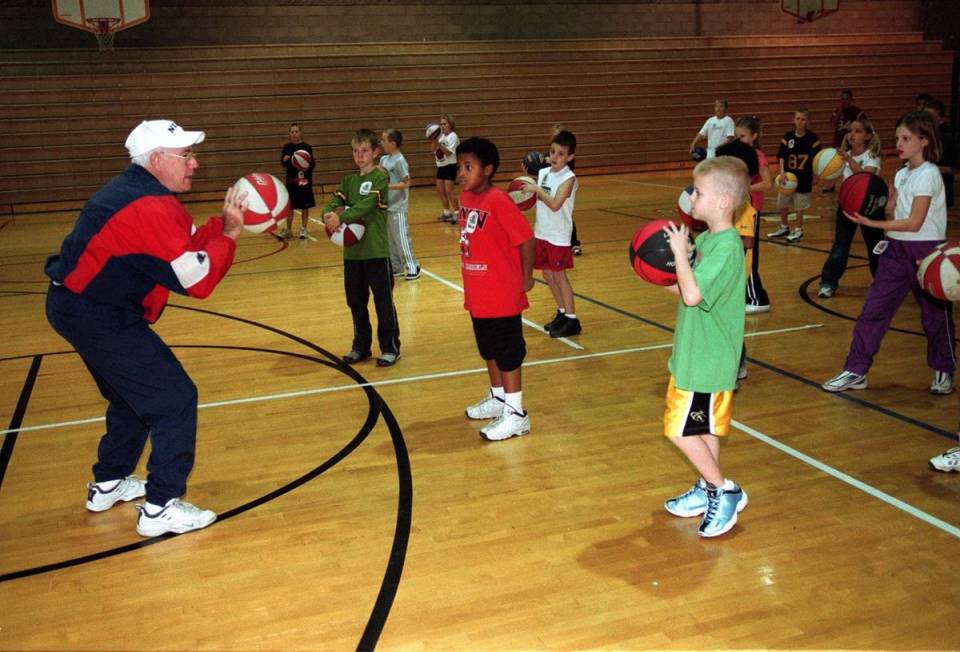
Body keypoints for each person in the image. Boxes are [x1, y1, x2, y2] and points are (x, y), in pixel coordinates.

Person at [44, 119, 246, 537]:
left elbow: (184, 243)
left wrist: (220, 227)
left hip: (77, 306)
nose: (195, 163)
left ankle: (108, 483)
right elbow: (197, 280)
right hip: (96, 313)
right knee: (174, 398)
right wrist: (228, 234)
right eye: (186, 155)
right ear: (157, 160)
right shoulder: (149, 205)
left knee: (130, 397)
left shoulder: (142, 191)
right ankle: (160, 508)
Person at [823, 111, 956, 395]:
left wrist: (874, 222)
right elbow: (900, 214)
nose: (899, 143)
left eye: (906, 138)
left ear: (924, 141)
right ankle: (856, 370)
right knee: (873, 310)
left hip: (925, 251)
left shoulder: (929, 174)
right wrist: (887, 205)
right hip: (895, 249)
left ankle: (943, 369)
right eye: (897, 137)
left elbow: (915, 222)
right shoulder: (902, 173)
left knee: (934, 316)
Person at [660, 155, 748, 538]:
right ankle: (707, 483)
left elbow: (693, 295)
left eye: (698, 192)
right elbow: (685, 290)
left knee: (679, 430)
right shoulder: (712, 241)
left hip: (706, 360)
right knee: (705, 428)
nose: (691, 198)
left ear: (724, 201)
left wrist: (680, 252)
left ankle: (722, 491)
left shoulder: (727, 248)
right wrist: (657, 273)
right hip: (700, 355)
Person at [457, 137, 536, 442]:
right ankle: (499, 398)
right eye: (460, 166)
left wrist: (526, 278)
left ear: (487, 170)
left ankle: (516, 414)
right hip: (479, 291)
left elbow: (526, 239)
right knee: (488, 349)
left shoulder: (498, 201)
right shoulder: (466, 198)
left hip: (502, 292)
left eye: (469, 167)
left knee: (508, 353)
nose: (461, 173)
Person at [322, 129, 401, 367]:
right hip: (353, 254)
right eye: (356, 151)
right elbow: (335, 200)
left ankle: (390, 347)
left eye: (364, 150)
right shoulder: (349, 181)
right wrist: (328, 213)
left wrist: (343, 216)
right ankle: (361, 346)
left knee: (383, 301)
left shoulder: (380, 178)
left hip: (376, 251)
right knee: (356, 301)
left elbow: (368, 205)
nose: (360, 155)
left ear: (375, 152)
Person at [522, 129, 580, 338]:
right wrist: (523, 196)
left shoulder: (569, 178)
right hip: (542, 232)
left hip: (558, 236)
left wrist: (537, 190)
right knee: (547, 274)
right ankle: (562, 312)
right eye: (552, 152)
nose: (555, 157)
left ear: (570, 157)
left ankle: (572, 320)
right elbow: (538, 202)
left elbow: (555, 204)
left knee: (559, 276)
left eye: (561, 154)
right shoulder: (544, 173)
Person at [818, 117, 884, 298]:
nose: (852, 134)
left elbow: (865, 177)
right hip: (847, 207)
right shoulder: (841, 156)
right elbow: (831, 182)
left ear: (868, 136)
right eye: (850, 131)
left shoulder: (872, 156)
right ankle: (828, 282)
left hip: (870, 207)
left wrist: (847, 159)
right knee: (840, 245)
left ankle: (882, 282)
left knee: (876, 246)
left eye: (857, 131)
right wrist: (826, 170)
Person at [733, 115, 772, 314]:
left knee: (748, 255)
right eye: (736, 136)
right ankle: (745, 296)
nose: (738, 139)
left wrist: (745, 187)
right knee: (739, 254)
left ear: (754, 136)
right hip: (739, 210)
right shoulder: (738, 154)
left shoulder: (757, 155)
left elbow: (768, 182)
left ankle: (758, 299)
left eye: (743, 136)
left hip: (752, 210)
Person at [768, 107, 821, 242]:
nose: (800, 122)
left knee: (799, 206)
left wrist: (816, 174)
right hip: (788, 178)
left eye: (803, 119)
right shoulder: (788, 137)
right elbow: (782, 157)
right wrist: (781, 172)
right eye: (797, 119)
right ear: (793, 120)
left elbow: (817, 159)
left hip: (804, 178)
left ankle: (798, 230)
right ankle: (784, 226)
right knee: (782, 203)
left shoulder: (812, 138)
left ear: (808, 121)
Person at [379, 128, 420, 280]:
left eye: (384, 140)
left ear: (393, 143)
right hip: (387, 206)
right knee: (391, 240)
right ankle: (396, 267)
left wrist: (388, 187)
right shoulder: (384, 160)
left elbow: (406, 183)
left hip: (398, 206)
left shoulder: (400, 161)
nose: (381, 143)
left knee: (402, 238)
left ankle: (412, 266)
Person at [823, 89, 866, 193]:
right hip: (838, 143)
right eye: (842, 99)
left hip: (852, 145)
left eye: (846, 99)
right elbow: (832, 123)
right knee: (833, 165)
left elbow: (865, 126)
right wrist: (839, 112)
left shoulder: (857, 112)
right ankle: (830, 185)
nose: (844, 101)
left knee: (850, 165)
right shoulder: (837, 111)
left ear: (851, 99)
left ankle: (853, 183)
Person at [279, 122, 316, 239]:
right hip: (291, 182)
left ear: (301, 133)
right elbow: (283, 163)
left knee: (305, 206)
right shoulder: (286, 148)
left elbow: (312, 164)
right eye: (292, 132)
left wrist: (302, 162)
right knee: (290, 207)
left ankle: (303, 229)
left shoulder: (307, 148)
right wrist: (287, 160)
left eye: (296, 131)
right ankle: (288, 230)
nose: (294, 134)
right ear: (289, 134)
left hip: (304, 182)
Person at [925, 99, 957, 208]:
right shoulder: (919, 137)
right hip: (923, 190)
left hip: (941, 193)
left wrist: (927, 168)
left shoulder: (949, 140)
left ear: (941, 120)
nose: (927, 121)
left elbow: (954, 169)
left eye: (931, 118)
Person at [430, 113, 459, 223]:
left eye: (444, 124)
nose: (442, 126)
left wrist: (439, 144)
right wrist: (433, 140)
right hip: (441, 166)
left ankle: (457, 213)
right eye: (441, 124)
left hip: (450, 166)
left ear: (450, 124)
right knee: (440, 191)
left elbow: (447, 153)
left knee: (449, 191)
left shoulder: (453, 136)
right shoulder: (440, 136)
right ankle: (446, 212)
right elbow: (432, 150)